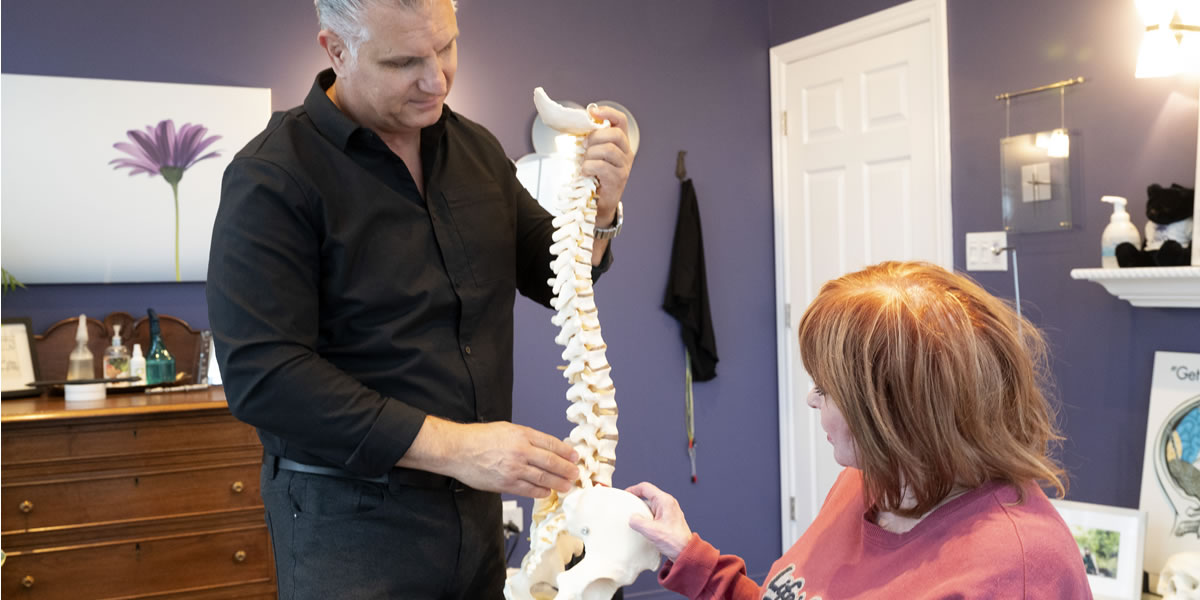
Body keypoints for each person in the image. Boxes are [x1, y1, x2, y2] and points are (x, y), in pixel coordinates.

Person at [205, 0, 635, 597]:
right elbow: (264, 377)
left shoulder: (477, 151)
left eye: (447, 48)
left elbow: (554, 270)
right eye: (405, 60)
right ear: (336, 50)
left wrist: (603, 208)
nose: (436, 79)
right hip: (349, 524)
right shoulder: (273, 176)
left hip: (476, 516)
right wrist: (458, 447)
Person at [627, 261, 1093, 599]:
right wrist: (692, 558)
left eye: (825, 389)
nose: (811, 399)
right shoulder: (869, 481)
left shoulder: (1020, 570)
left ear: (893, 411)